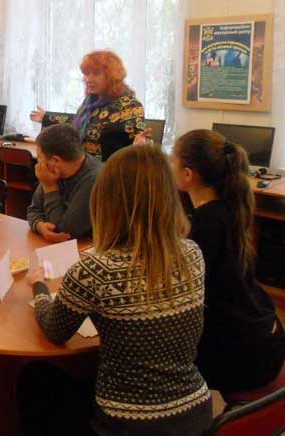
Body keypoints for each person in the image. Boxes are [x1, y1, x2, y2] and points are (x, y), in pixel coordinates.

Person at [19, 145, 212, 435]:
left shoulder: (96, 268)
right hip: (196, 412)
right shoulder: (192, 253)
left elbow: (54, 330)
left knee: (34, 377)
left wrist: (39, 287)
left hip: (127, 423)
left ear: (107, 200)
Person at [172, 129, 285, 401]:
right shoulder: (231, 207)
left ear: (188, 174)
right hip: (266, 333)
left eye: (172, 161)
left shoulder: (204, 225)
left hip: (245, 356)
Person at [30, 50, 146, 161]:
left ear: (111, 76)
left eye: (95, 74)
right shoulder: (90, 102)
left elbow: (143, 142)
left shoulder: (129, 105)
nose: (88, 79)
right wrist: (46, 117)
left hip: (109, 171)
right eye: (86, 74)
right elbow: (76, 123)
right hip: (83, 168)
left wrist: (141, 146)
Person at [26, 124, 101, 243]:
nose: (38, 164)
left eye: (39, 157)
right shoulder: (54, 171)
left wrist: (50, 187)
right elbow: (33, 209)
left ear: (55, 161)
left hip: (88, 244)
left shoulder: (95, 179)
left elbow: (64, 232)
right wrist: (39, 225)